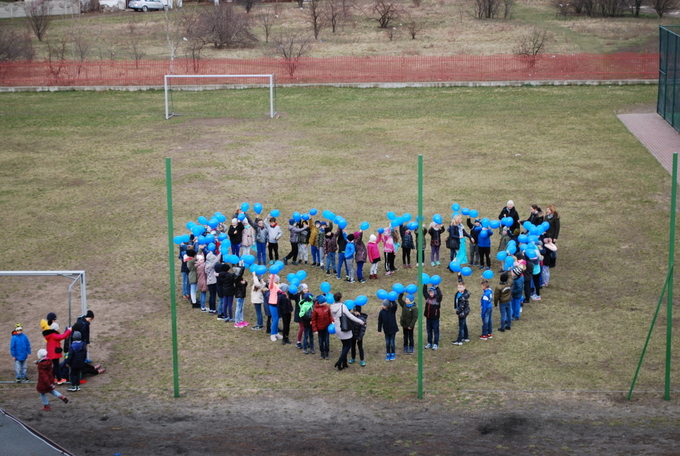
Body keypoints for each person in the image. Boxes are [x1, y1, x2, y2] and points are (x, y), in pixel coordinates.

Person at [330, 292, 365, 370]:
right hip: (344, 328)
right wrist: (360, 321)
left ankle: (344, 363)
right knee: (347, 346)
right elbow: (350, 316)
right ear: (340, 298)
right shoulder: (342, 306)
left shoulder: (332, 307)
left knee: (344, 345)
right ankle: (339, 361)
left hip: (338, 329)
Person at [311, 294, 333, 360]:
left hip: (326, 328)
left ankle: (327, 353)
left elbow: (330, 315)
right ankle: (322, 353)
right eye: (325, 301)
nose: (326, 302)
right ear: (321, 302)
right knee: (320, 341)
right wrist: (315, 330)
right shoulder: (315, 310)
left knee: (326, 341)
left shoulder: (327, 308)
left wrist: (332, 321)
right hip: (319, 329)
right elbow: (313, 320)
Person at [423, 284, 443, 350]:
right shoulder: (428, 298)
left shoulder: (437, 299)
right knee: (429, 331)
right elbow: (424, 292)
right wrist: (425, 285)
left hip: (435, 318)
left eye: (432, 292)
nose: (431, 294)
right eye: (430, 292)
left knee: (436, 331)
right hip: (428, 318)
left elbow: (440, 295)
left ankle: (435, 343)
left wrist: (437, 287)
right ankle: (429, 343)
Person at [267, 273, 283, 342]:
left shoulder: (279, 286)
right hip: (272, 304)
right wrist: (272, 276)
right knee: (275, 319)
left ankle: (276, 333)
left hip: (278, 304)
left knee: (277, 319)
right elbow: (270, 283)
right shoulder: (273, 285)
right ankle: (273, 334)